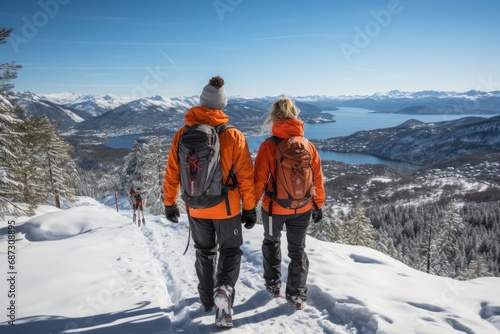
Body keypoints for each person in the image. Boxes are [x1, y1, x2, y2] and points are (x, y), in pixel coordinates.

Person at [163, 76, 257, 319]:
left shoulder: (182, 135)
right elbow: (246, 176)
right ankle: (224, 291)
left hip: (195, 207)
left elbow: (172, 173)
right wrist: (249, 208)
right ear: (222, 105)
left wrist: (169, 203)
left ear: (201, 102)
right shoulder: (233, 135)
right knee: (230, 251)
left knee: (204, 253)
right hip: (227, 209)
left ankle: (206, 299)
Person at [254, 97, 325, 309]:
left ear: (274, 117)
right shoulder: (308, 146)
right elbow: (318, 179)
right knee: (298, 251)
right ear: (296, 115)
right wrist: (318, 205)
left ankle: (274, 285)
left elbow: (258, 181)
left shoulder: (268, 146)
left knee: (270, 242)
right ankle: (297, 296)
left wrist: (248, 207)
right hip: (302, 208)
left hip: (273, 209)